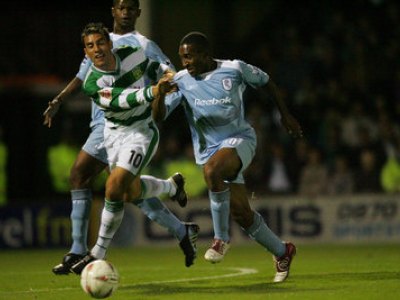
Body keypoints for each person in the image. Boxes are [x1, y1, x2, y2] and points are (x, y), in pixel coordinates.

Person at [43, 0, 198, 274]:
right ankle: (176, 207)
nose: (125, 12)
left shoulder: (139, 46)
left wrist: (159, 107)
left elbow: (166, 75)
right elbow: (114, 94)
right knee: (129, 191)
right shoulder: (95, 69)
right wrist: (58, 99)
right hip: (107, 127)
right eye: (120, 7)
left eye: (130, 8)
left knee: (97, 180)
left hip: (137, 129)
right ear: (112, 10)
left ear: (137, 12)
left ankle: (85, 252)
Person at [157, 32, 303, 282]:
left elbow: (267, 82)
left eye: (190, 57)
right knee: (242, 214)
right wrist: (159, 93)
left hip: (240, 140)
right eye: (182, 58)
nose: (185, 63)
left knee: (212, 171)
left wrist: (284, 115)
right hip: (209, 151)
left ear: (205, 54)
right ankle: (283, 251)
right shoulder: (181, 81)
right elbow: (158, 117)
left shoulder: (234, 69)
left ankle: (220, 239)